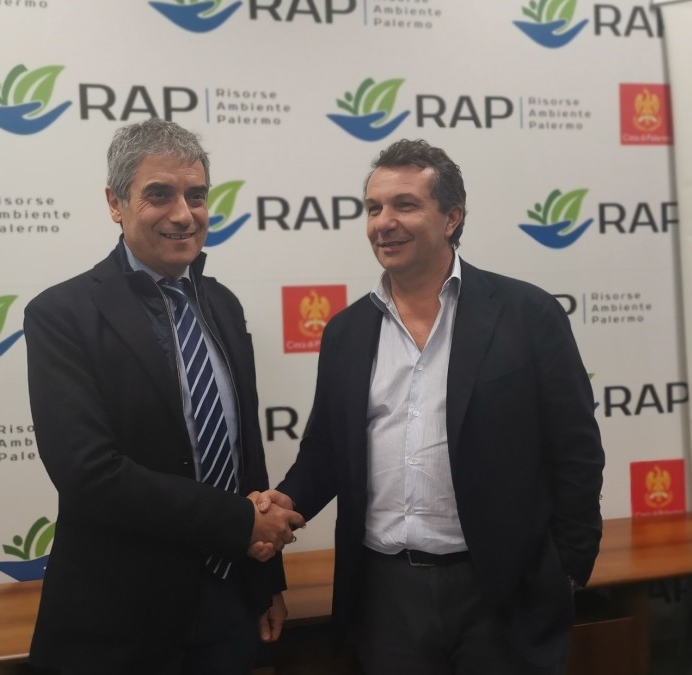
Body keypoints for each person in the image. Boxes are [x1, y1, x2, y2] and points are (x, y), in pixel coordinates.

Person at [258, 139, 605, 674]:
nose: (384, 223)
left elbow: (576, 450)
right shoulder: (346, 332)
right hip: (385, 597)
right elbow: (327, 451)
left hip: (502, 593)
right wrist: (282, 505)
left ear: (452, 218)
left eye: (405, 205)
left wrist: (568, 568)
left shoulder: (527, 313)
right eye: (374, 208)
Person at [24, 118, 304, 675]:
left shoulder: (223, 305)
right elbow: (89, 474)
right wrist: (237, 522)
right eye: (159, 194)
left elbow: (244, 453)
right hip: (119, 621)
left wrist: (266, 579)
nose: (183, 214)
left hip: (229, 606)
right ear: (115, 202)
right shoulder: (61, 314)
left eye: (196, 196)